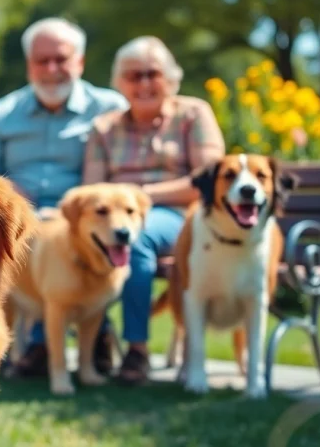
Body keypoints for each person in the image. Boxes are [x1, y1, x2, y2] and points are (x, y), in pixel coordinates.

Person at [0, 17, 129, 376]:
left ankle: (56, 341)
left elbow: (119, 172)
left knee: (60, 238)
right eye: (42, 61)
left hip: (82, 218)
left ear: (80, 62)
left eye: (62, 59)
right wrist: (9, 192)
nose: (52, 69)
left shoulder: (109, 108)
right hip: (18, 216)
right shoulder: (2, 114)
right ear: (29, 66)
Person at [83, 35, 225, 385]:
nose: (144, 83)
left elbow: (209, 180)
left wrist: (144, 195)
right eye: (134, 76)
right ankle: (94, 338)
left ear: (171, 78)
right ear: (120, 83)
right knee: (82, 239)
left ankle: (137, 349)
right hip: (113, 213)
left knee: (134, 238)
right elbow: (91, 190)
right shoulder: (104, 127)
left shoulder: (193, 114)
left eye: (153, 74)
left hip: (177, 215)